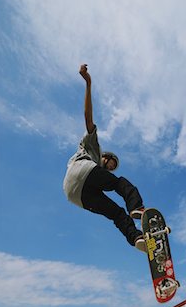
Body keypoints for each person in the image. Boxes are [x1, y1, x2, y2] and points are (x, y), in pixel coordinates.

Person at [63, 64, 146, 252]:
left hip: (76, 195)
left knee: (116, 214)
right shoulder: (93, 146)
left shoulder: (98, 169)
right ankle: (137, 207)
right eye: (110, 164)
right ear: (105, 156)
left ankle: (136, 238)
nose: (109, 168)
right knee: (120, 184)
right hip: (82, 170)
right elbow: (88, 117)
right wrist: (88, 84)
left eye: (111, 167)